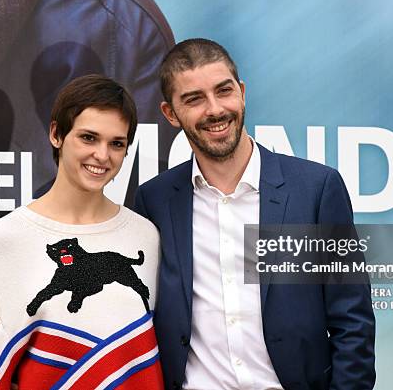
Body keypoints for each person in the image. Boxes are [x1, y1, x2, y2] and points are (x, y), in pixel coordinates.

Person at [134, 39, 376, 390]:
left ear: (242, 92)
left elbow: (352, 322)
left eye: (224, 91)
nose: (215, 110)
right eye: (194, 99)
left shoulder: (315, 190)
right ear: (171, 113)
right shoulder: (155, 201)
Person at [0, 75, 164, 389]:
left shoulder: (146, 235)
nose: (103, 155)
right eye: (89, 138)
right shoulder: (8, 238)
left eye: (117, 143)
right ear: (56, 134)